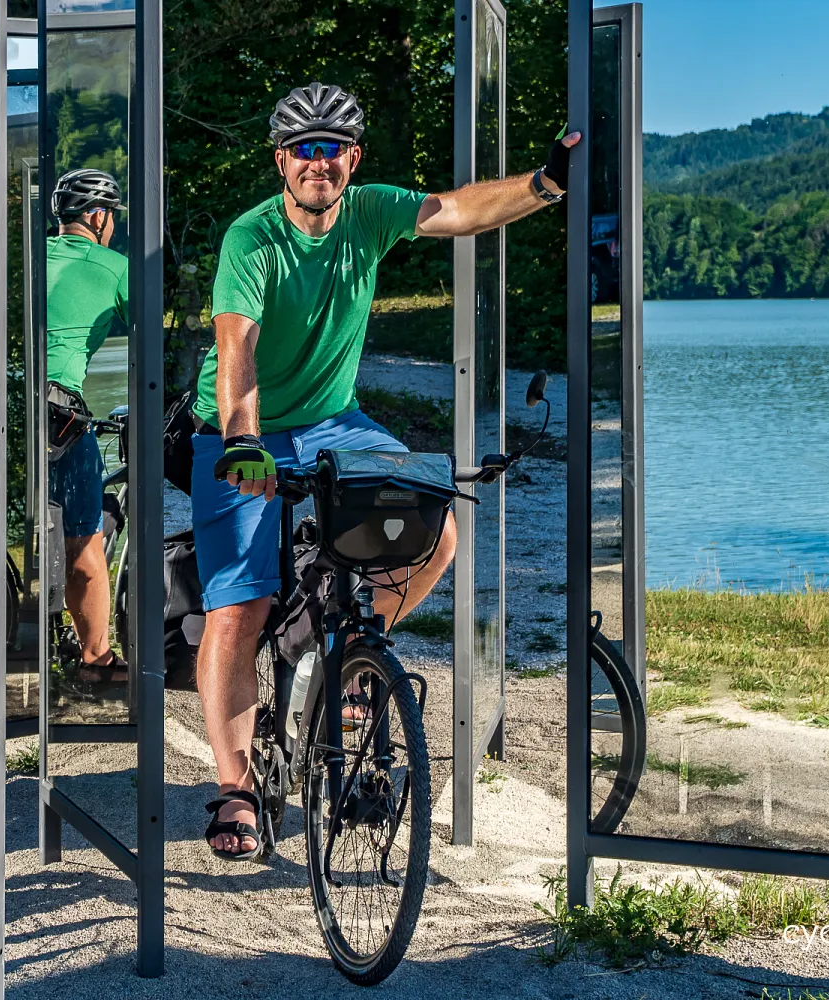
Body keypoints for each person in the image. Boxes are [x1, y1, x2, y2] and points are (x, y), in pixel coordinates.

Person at [190, 82, 581, 859]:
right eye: (303, 149)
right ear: (281, 161)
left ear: (352, 159)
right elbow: (237, 351)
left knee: (434, 534)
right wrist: (243, 442)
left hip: (337, 420)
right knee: (240, 607)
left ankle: (349, 654)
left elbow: (457, 208)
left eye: (332, 148)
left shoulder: (368, 213)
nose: (317, 162)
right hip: (243, 426)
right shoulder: (253, 237)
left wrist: (546, 186)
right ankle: (236, 785)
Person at [46, 167, 129, 684]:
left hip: (10, 405)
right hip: (60, 410)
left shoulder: (28, 263)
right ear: (98, 217)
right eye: (112, 217)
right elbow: (145, 330)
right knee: (85, 539)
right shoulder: (114, 265)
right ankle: (96, 659)